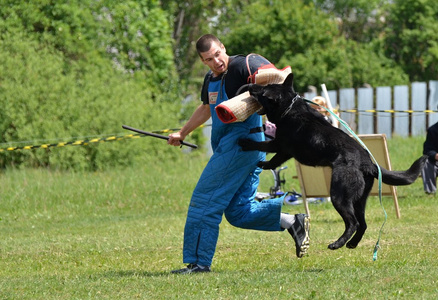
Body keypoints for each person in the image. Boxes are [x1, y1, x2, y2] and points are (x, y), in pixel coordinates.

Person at [167, 34, 310, 274]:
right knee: (238, 211)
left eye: (217, 54)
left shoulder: (240, 66)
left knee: (205, 200)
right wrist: (182, 133)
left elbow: (271, 73)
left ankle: (199, 263)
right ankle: (292, 222)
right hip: (238, 147)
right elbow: (206, 108)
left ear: (223, 48)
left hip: (241, 144)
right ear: (203, 61)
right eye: (209, 59)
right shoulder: (210, 79)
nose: (216, 62)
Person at [421, 121, 438, 194]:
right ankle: (430, 192)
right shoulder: (433, 130)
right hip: (436, 162)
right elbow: (427, 150)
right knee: (425, 162)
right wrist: (435, 155)